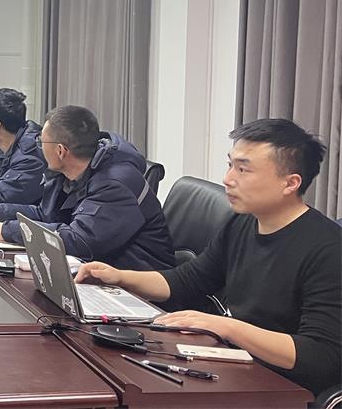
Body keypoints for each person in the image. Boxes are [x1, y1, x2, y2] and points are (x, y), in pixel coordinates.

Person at [76, 119, 340, 398]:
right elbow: (186, 281)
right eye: (230, 165)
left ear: (290, 183)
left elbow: (320, 356)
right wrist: (118, 277)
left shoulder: (328, 249)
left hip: (286, 390)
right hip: (235, 366)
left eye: (243, 169)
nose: (228, 179)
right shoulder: (242, 223)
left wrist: (226, 327)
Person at [0, 105, 175, 271]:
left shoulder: (115, 183)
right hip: (97, 270)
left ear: (61, 151)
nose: (38, 148)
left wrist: (9, 230)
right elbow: (46, 214)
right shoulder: (66, 172)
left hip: (137, 287)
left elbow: (80, 241)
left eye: (41, 142)